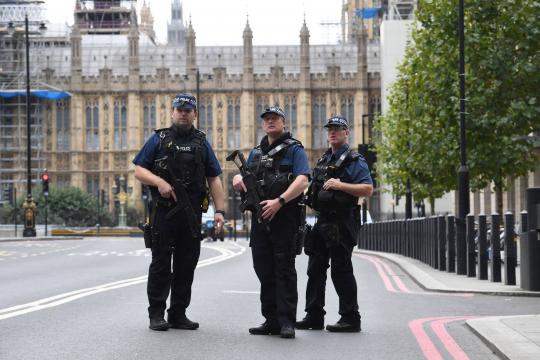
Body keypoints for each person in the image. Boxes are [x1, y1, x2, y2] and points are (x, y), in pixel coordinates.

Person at [133, 93, 225, 331]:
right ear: (172, 112)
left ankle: (178, 313)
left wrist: (220, 211)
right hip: (164, 213)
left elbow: (214, 178)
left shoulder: (202, 142)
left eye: (188, 110)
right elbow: (139, 171)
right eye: (179, 109)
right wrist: (160, 183)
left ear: (195, 114)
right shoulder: (159, 139)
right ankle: (156, 314)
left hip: (191, 214)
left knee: (186, 266)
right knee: (161, 264)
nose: (183, 114)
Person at [232, 106, 310, 339]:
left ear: (284, 122)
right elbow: (246, 177)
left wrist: (280, 201)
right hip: (260, 219)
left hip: (284, 217)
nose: (270, 122)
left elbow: (303, 179)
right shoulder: (256, 153)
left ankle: (287, 321)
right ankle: (271, 319)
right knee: (263, 268)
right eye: (266, 119)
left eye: (275, 118)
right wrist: (238, 178)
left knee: (284, 270)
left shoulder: (294, 149)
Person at [296, 115, 373, 333]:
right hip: (323, 220)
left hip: (342, 220)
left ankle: (350, 317)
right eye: (330, 129)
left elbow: (367, 189)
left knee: (341, 270)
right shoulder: (323, 160)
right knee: (315, 269)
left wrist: (341, 185)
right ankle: (313, 315)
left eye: (338, 129)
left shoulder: (354, 159)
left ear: (346, 133)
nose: (332, 132)